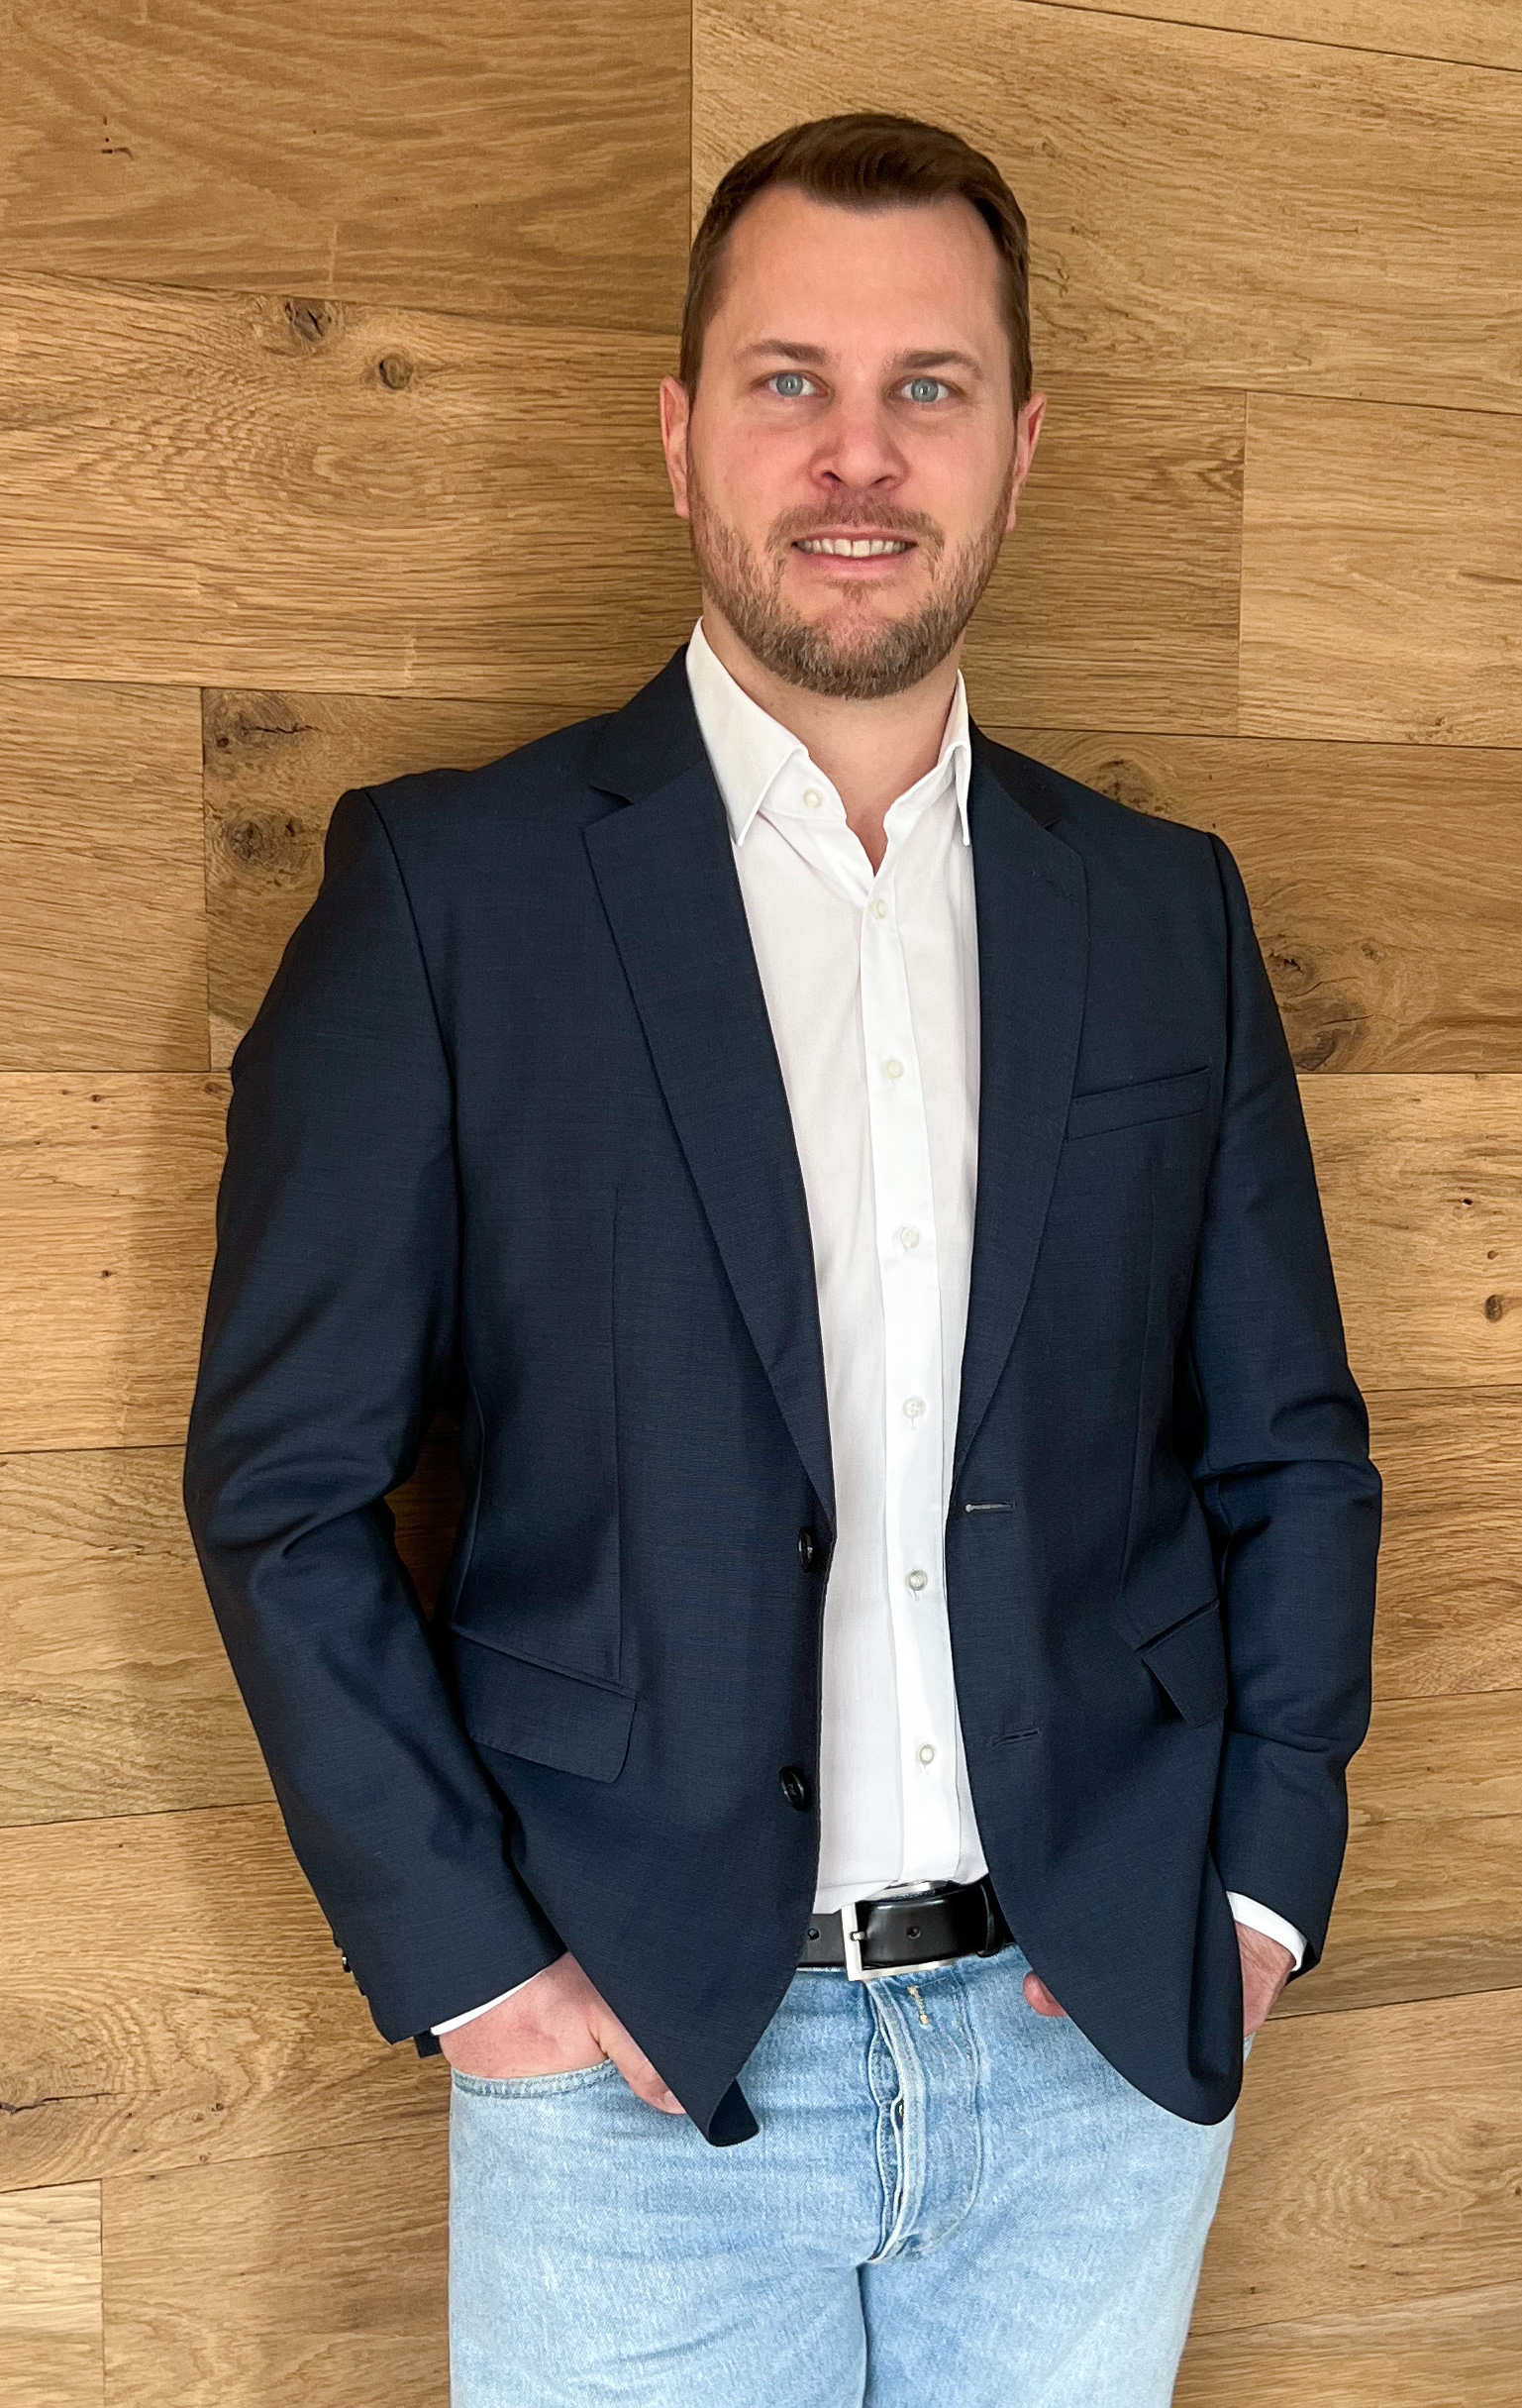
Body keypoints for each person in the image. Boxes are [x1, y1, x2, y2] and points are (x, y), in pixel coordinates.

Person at [182, 111, 1381, 2408]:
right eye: (787, 382)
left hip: (1094, 2050)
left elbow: (1288, 1449)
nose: (859, 454)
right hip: (640, 2076)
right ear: (677, 435)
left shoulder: (1162, 913)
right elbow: (284, 1488)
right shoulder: (452, 894)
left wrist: (1256, 1890)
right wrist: (486, 1978)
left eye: (927, 385)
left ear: (1020, 446)